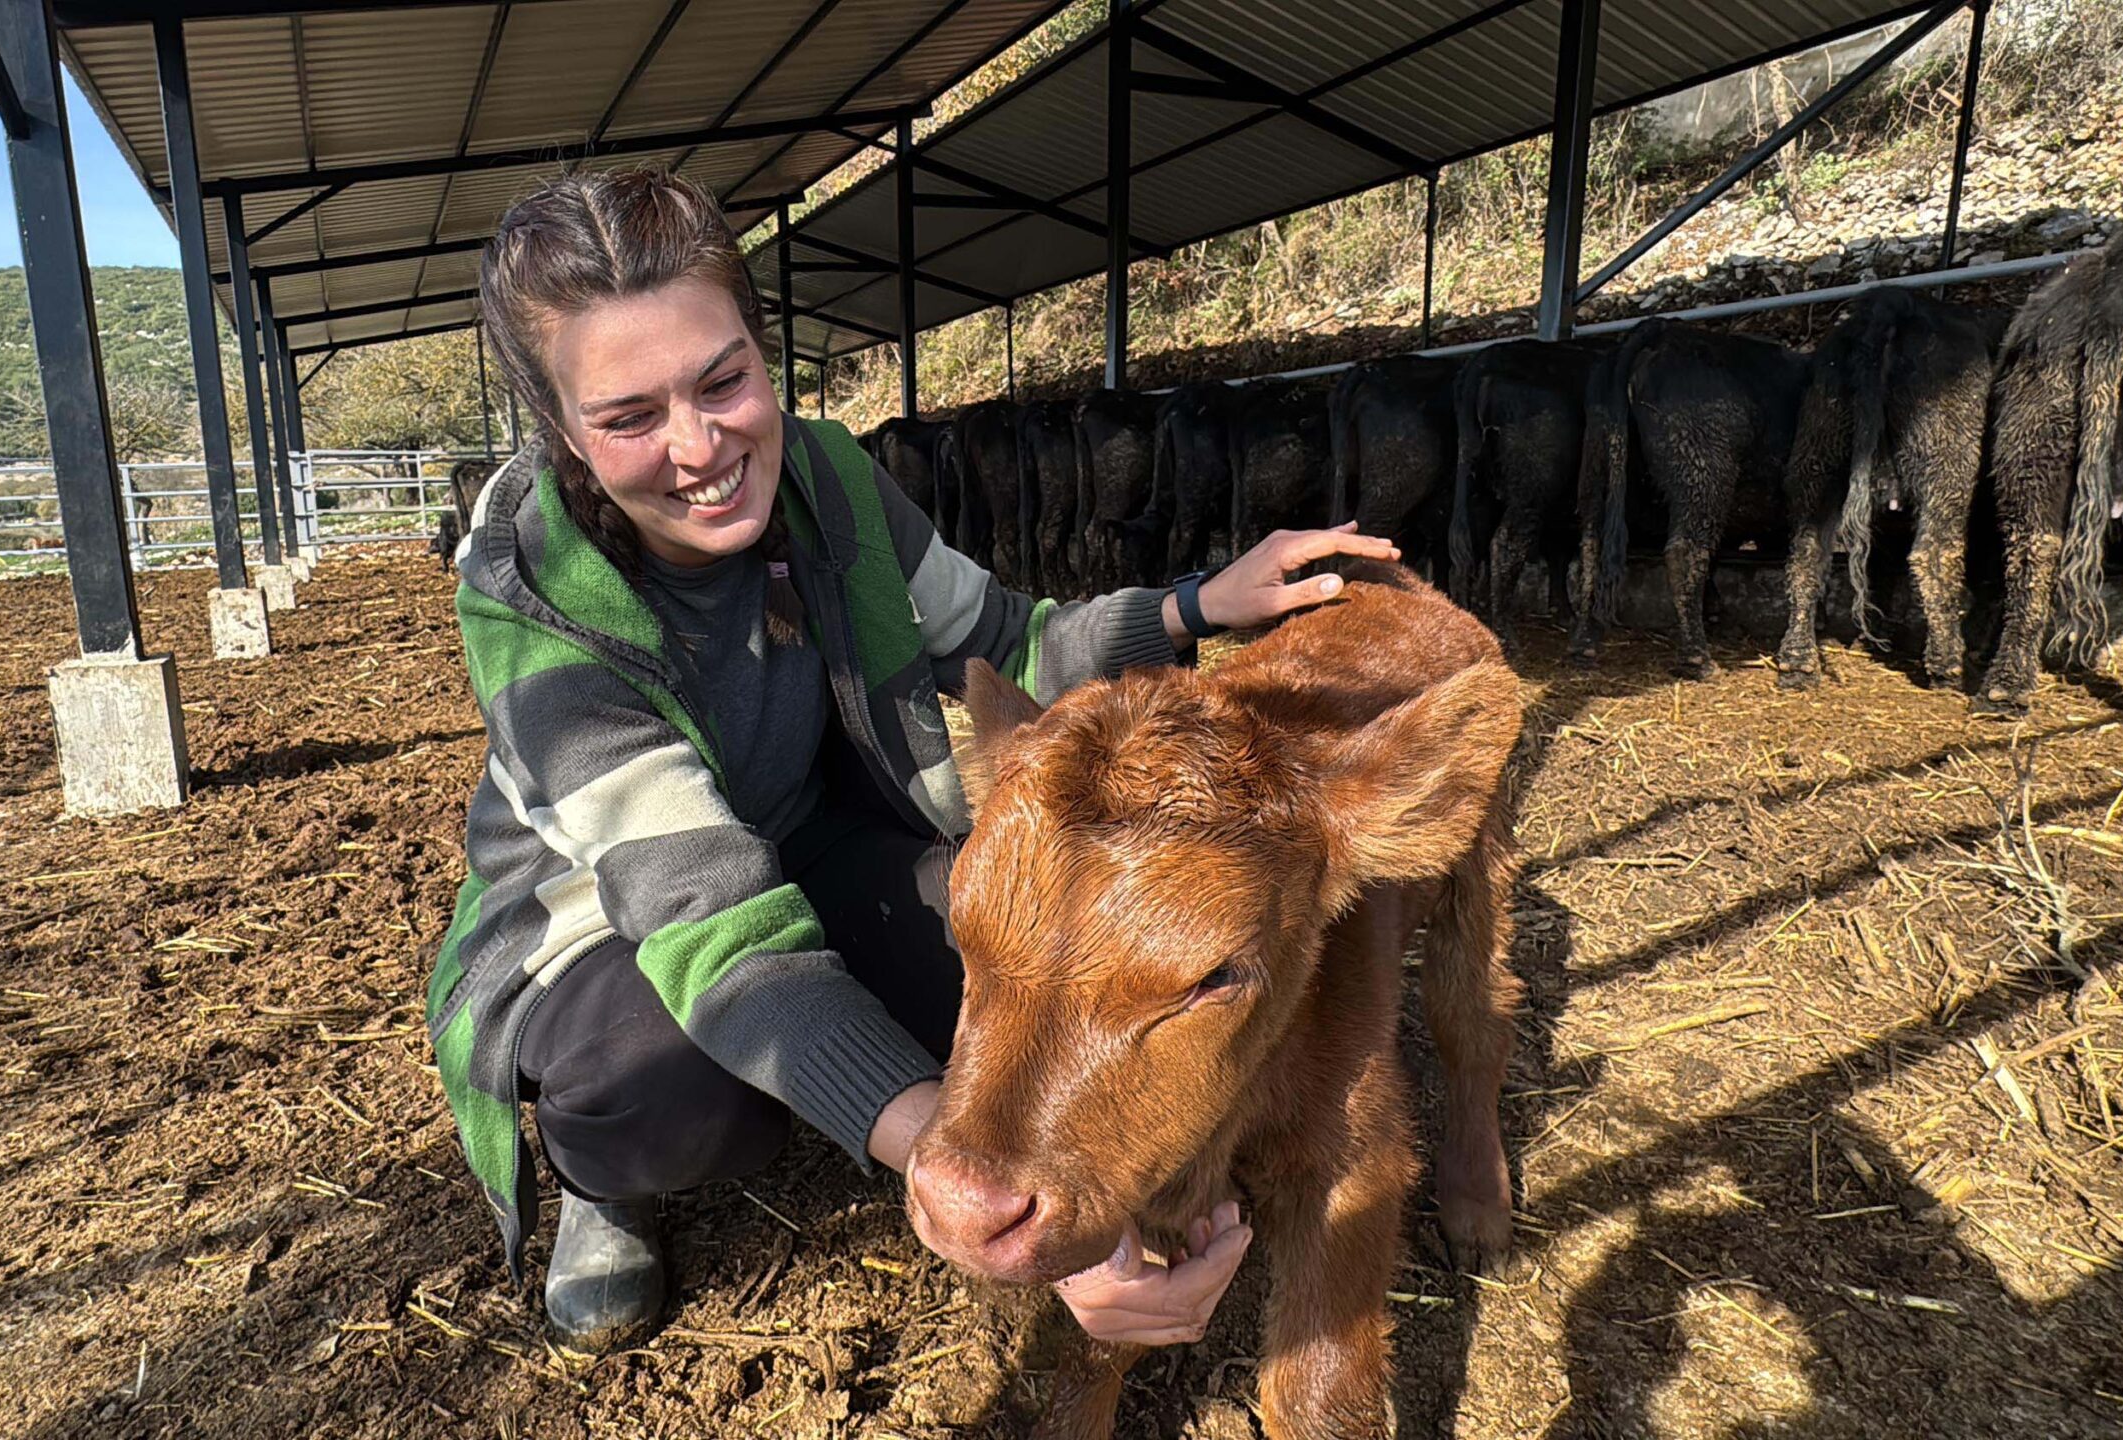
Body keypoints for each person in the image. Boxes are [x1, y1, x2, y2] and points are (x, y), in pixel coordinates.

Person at [429, 168, 1398, 1351]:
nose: (698, 448)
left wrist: (1200, 603)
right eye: (629, 417)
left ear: (761, 353)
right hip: (605, 913)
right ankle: (604, 1185)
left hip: (810, 835)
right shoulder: (534, 605)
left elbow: (1007, 640)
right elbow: (707, 916)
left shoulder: (832, 482)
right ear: (562, 429)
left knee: (1023, 953)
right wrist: (962, 1172)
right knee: (667, 1084)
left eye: (723, 381)